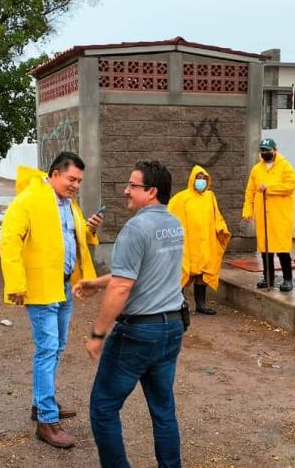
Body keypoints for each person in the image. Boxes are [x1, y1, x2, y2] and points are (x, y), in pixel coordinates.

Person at [74, 161, 185, 468]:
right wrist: (97, 282)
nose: (125, 190)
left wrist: (98, 334)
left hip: (139, 333)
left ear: (151, 191)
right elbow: (140, 273)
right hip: (171, 328)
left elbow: (122, 286)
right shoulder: (174, 223)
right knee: (163, 410)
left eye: (132, 185)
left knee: (103, 408)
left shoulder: (136, 227)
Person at [0, 152, 103, 448]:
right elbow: (9, 238)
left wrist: (90, 229)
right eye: (72, 179)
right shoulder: (29, 199)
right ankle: (46, 420)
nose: (75, 186)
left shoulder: (68, 203)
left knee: (56, 347)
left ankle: (41, 403)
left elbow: (70, 236)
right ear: (55, 173)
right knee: (47, 350)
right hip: (41, 287)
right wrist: (16, 283)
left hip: (64, 286)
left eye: (79, 181)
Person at [168, 165, 231, 315]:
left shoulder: (210, 196)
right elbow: (169, 213)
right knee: (184, 271)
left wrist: (222, 228)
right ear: (192, 179)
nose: (201, 181)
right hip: (188, 242)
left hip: (205, 241)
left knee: (203, 272)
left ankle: (201, 304)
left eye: (204, 179)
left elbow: (217, 215)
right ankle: (178, 303)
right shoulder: (182, 197)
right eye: (198, 178)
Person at [242, 137, 295, 292]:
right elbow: (250, 191)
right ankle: (268, 278)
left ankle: (287, 279)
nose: (265, 153)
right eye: (262, 150)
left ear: (274, 150)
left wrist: (270, 187)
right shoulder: (256, 169)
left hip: (280, 215)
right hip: (263, 214)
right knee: (265, 249)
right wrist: (248, 210)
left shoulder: (285, 166)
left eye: (268, 150)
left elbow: (291, 185)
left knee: (282, 248)